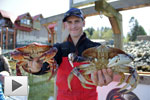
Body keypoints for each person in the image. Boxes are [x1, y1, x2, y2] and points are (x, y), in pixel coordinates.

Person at [28, 8, 113, 100]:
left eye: (77, 21)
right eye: (70, 22)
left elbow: (109, 67)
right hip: (63, 97)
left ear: (83, 23)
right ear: (65, 25)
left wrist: (108, 76)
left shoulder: (96, 48)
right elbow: (46, 66)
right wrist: (37, 68)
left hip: (89, 97)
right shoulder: (58, 49)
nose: (73, 25)